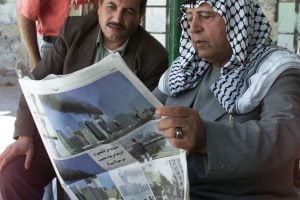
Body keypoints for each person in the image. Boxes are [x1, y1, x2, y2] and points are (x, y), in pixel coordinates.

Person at [0, 0, 168, 199]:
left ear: (141, 15)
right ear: (99, 7)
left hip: (111, 150)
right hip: (62, 137)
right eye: (111, 6)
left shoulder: (154, 56)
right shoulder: (75, 29)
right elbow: (36, 81)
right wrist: (25, 136)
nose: (117, 18)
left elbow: (146, 122)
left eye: (128, 11)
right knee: (13, 173)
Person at [154, 0, 300, 199]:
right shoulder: (185, 70)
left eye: (206, 16)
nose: (193, 28)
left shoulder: (276, 70)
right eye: (189, 17)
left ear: (238, 20)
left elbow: (283, 141)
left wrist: (206, 138)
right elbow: (145, 113)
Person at [17, 0, 98, 69]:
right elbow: (25, 15)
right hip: (54, 46)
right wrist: (35, 61)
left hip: (91, 44)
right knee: (50, 85)